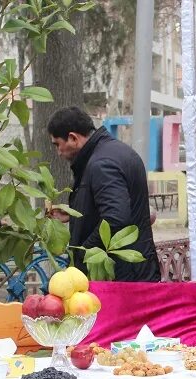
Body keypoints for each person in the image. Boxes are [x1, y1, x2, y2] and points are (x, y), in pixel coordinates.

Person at [47, 106, 161, 282]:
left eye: (57, 144)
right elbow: (113, 204)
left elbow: (115, 218)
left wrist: (84, 254)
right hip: (135, 272)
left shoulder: (101, 164)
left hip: (121, 278)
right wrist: (74, 212)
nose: (58, 152)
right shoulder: (115, 151)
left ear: (73, 138)